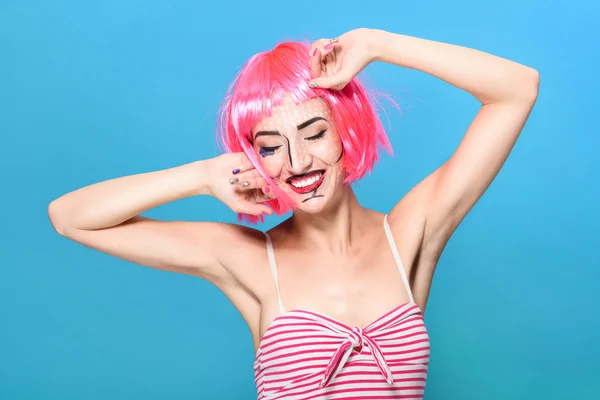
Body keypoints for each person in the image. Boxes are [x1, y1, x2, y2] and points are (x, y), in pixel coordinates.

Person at [48, 28, 539, 399]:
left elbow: (517, 89)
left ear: (347, 129)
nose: (299, 162)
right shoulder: (249, 259)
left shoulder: (409, 233)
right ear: (253, 158)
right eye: (271, 147)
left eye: (314, 133)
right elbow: (70, 216)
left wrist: (376, 44)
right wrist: (201, 176)